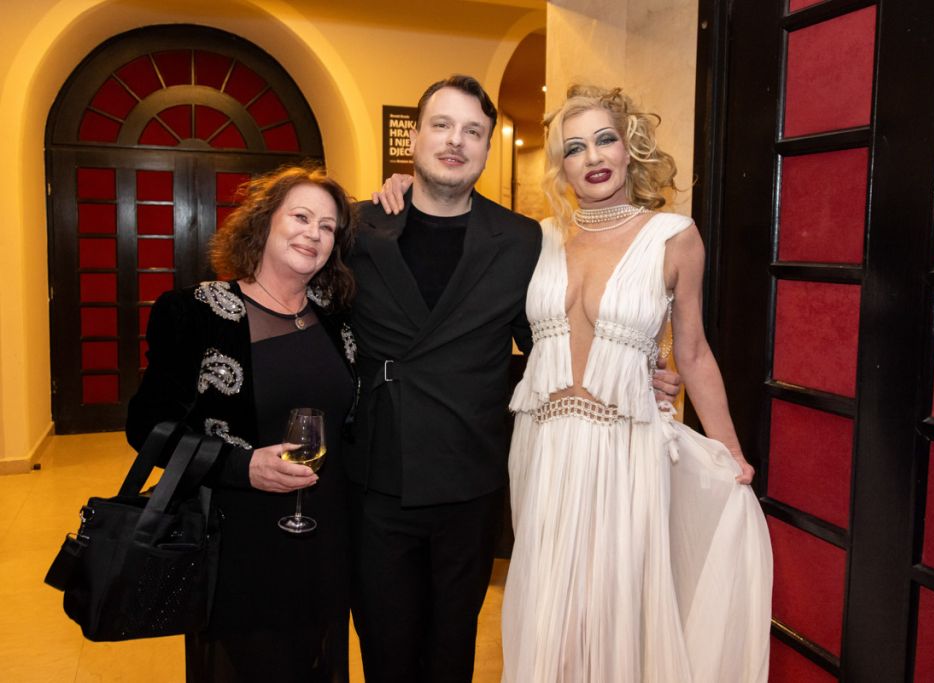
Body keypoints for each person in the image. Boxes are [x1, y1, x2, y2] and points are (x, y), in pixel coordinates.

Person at [361, 76, 683, 683]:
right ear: (415, 137)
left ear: (488, 148)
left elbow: (549, 336)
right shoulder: (361, 227)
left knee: (453, 646)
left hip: (471, 474)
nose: (455, 141)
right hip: (377, 473)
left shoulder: (520, 239)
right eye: (441, 125)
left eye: (472, 131)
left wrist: (640, 369)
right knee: (385, 647)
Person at [500, 86, 773, 682]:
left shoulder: (674, 236)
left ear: (630, 149)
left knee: (614, 612)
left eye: (606, 139)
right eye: (575, 147)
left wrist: (730, 449)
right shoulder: (538, 239)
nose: (593, 156)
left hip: (624, 450)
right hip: (543, 448)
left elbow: (693, 352)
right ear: (562, 165)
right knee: (549, 620)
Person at [125, 164, 359, 683]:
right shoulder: (194, 312)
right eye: (300, 217)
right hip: (237, 542)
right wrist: (240, 466)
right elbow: (146, 427)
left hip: (326, 539)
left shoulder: (335, 314)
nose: (314, 233)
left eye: (327, 227)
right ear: (263, 222)